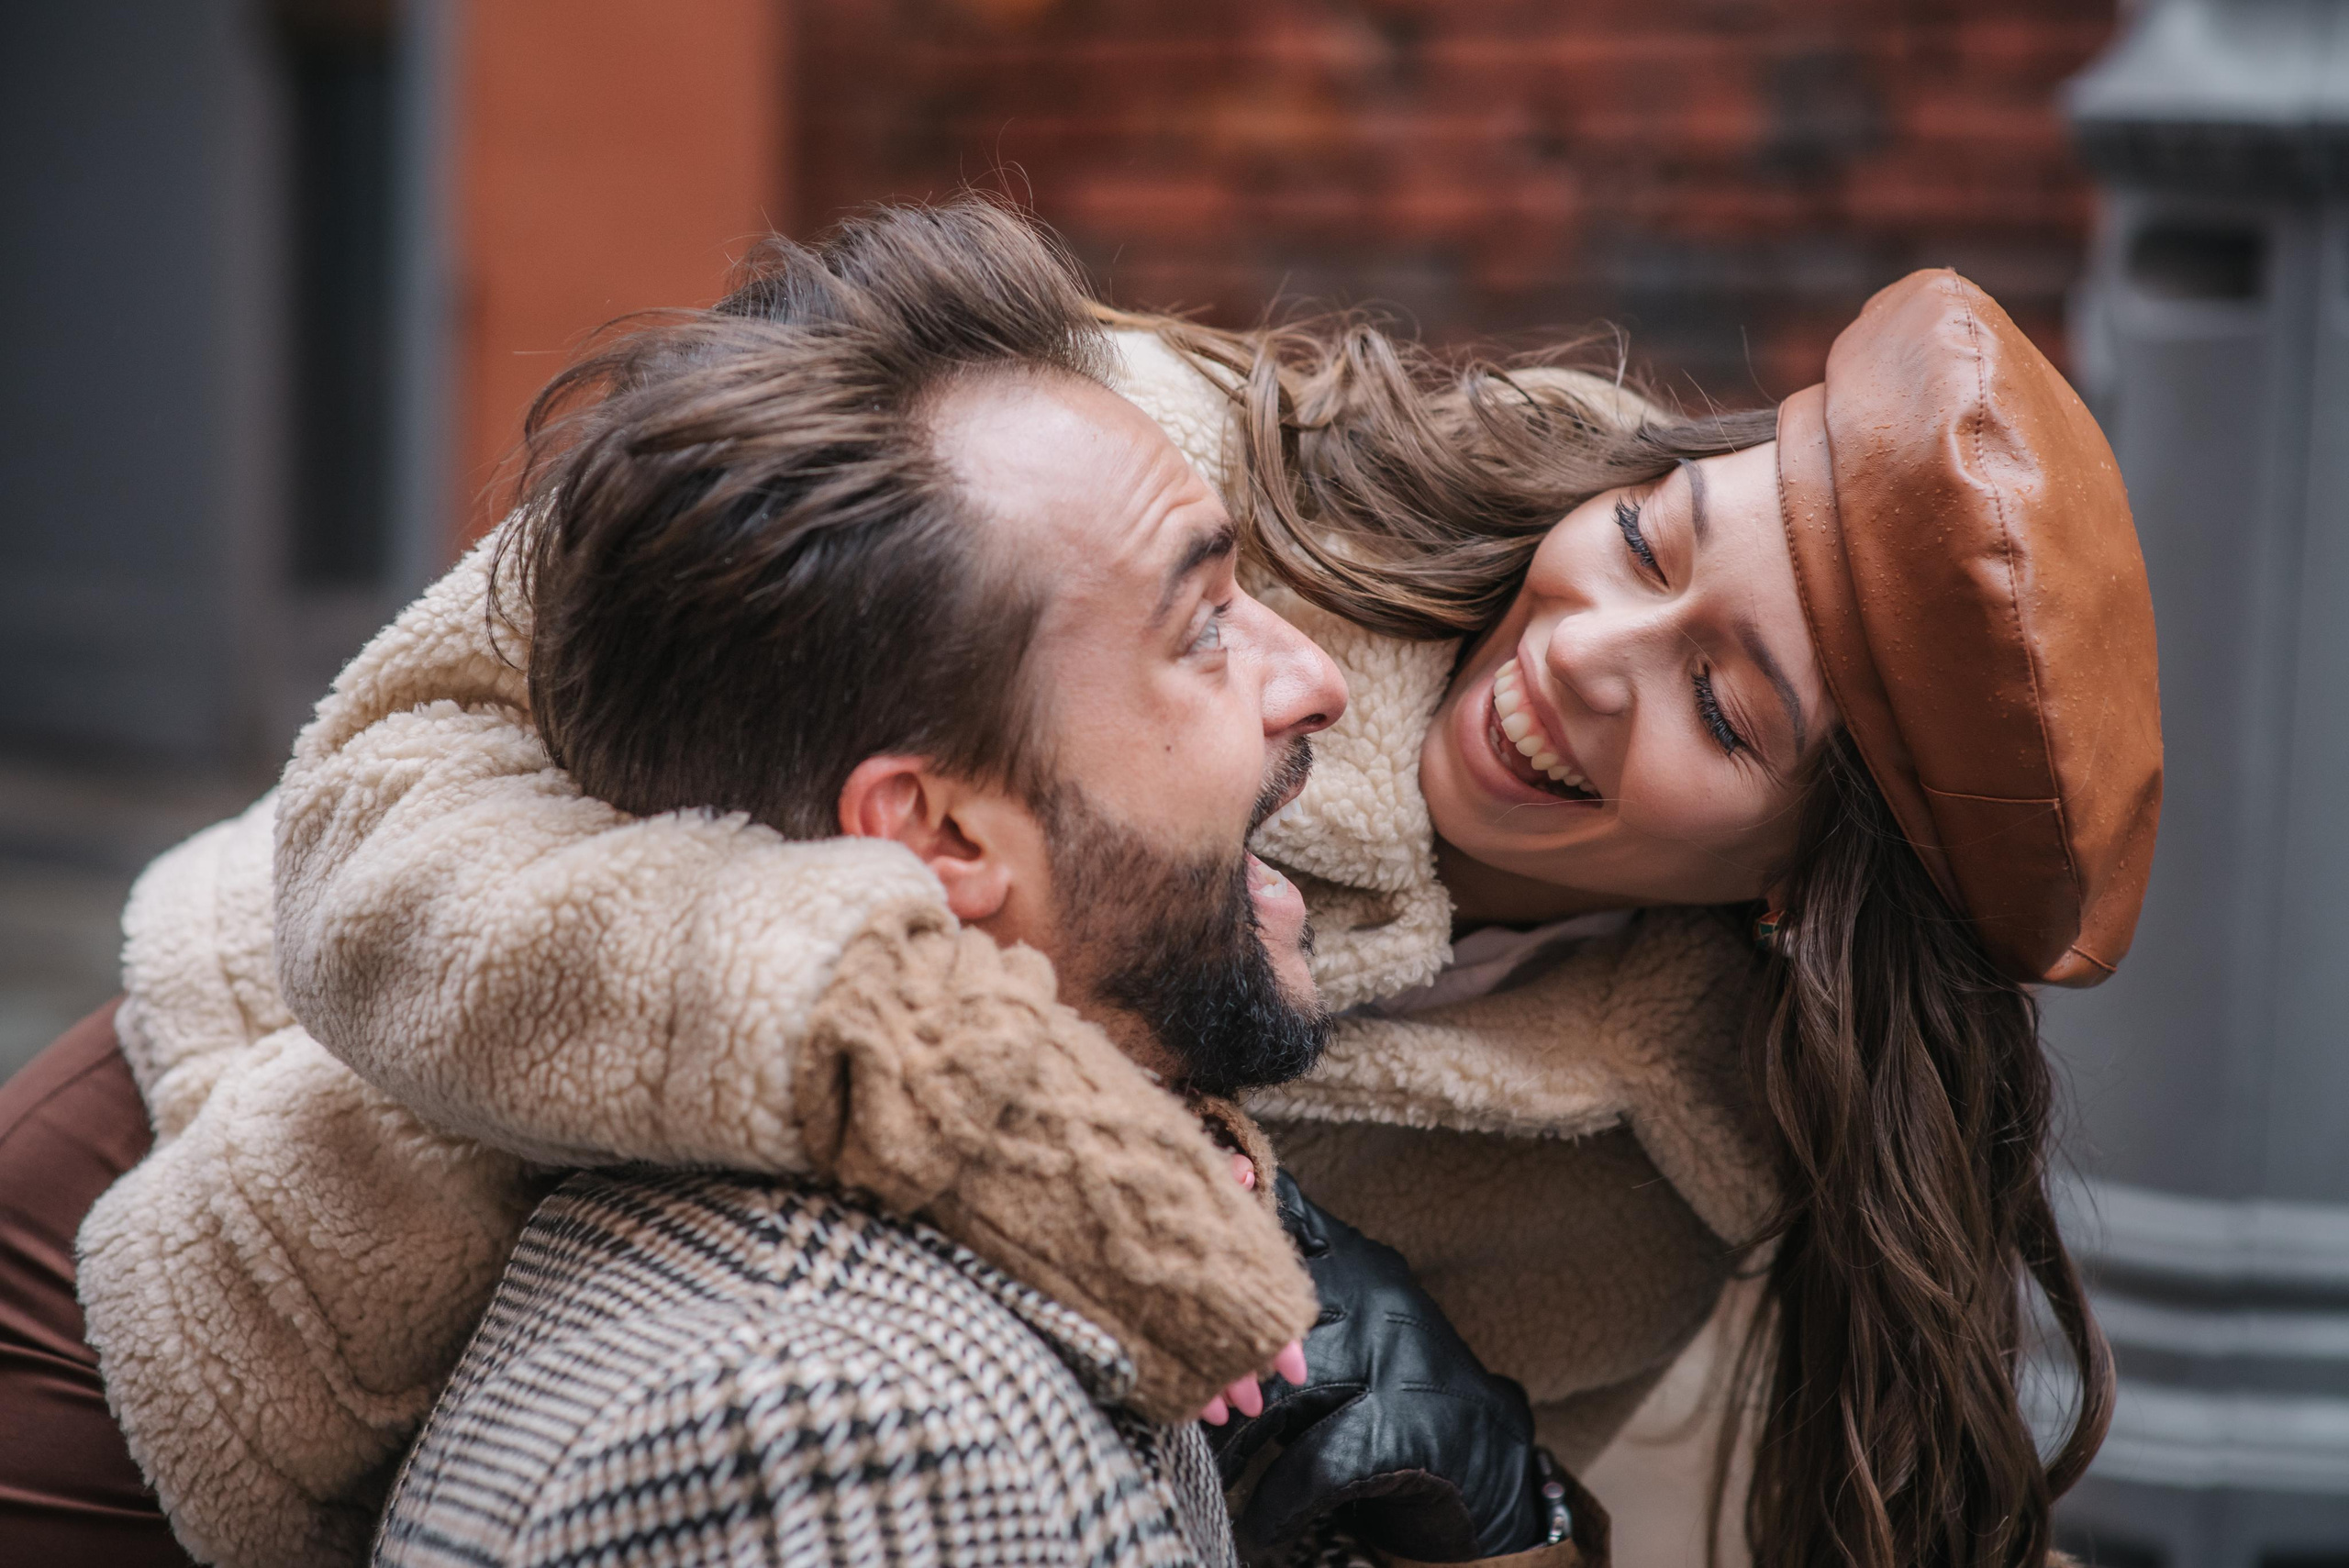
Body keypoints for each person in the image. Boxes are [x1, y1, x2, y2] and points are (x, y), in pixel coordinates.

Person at [62, 208, 2155, 1568]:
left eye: (1719, 701)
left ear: (1804, 889)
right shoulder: (1136, 461)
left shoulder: (1652, 1185)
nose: (1585, 653)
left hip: (633, 1449)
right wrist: (890, 1030)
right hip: (235, 1195)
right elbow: (385, 799)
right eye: (1644, 539)